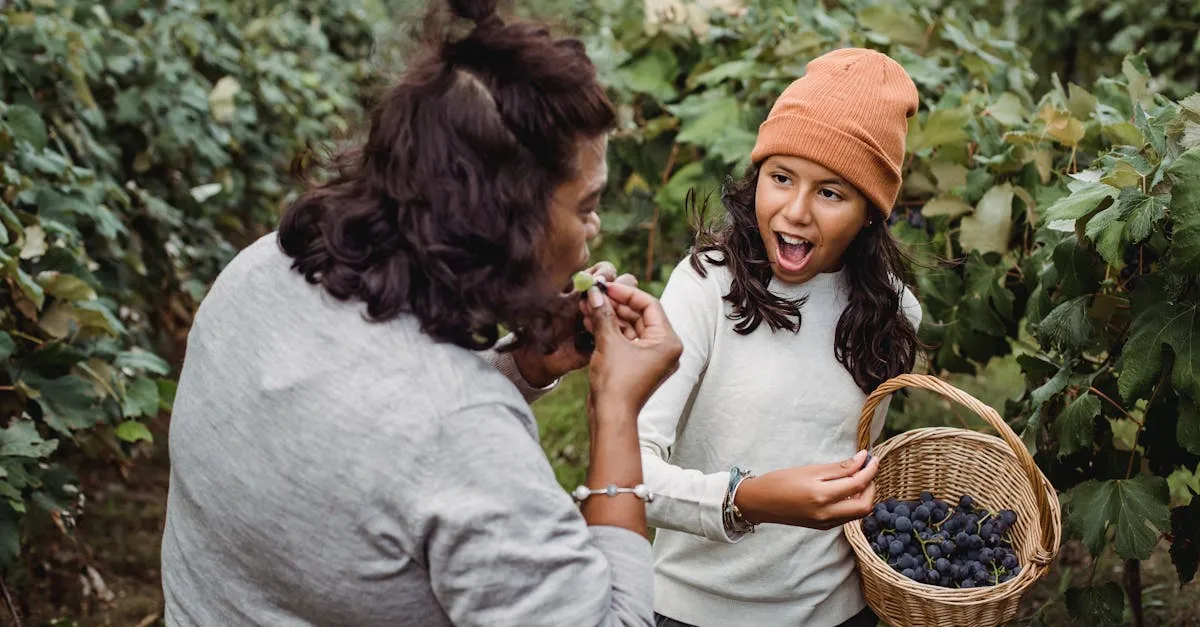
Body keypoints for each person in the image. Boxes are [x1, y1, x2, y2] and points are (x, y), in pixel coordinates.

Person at [159, 0, 682, 624]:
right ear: (508, 220)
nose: (595, 226)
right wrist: (616, 411)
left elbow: (371, 432)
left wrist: (523, 364)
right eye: (585, 203)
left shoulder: (261, 270)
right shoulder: (463, 437)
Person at [638, 48, 925, 627]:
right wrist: (748, 498)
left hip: (838, 613)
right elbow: (630, 472)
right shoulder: (706, 285)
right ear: (757, 176)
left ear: (870, 211)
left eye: (830, 192)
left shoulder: (894, 312)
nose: (794, 212)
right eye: (781, 177)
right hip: (691, 611)